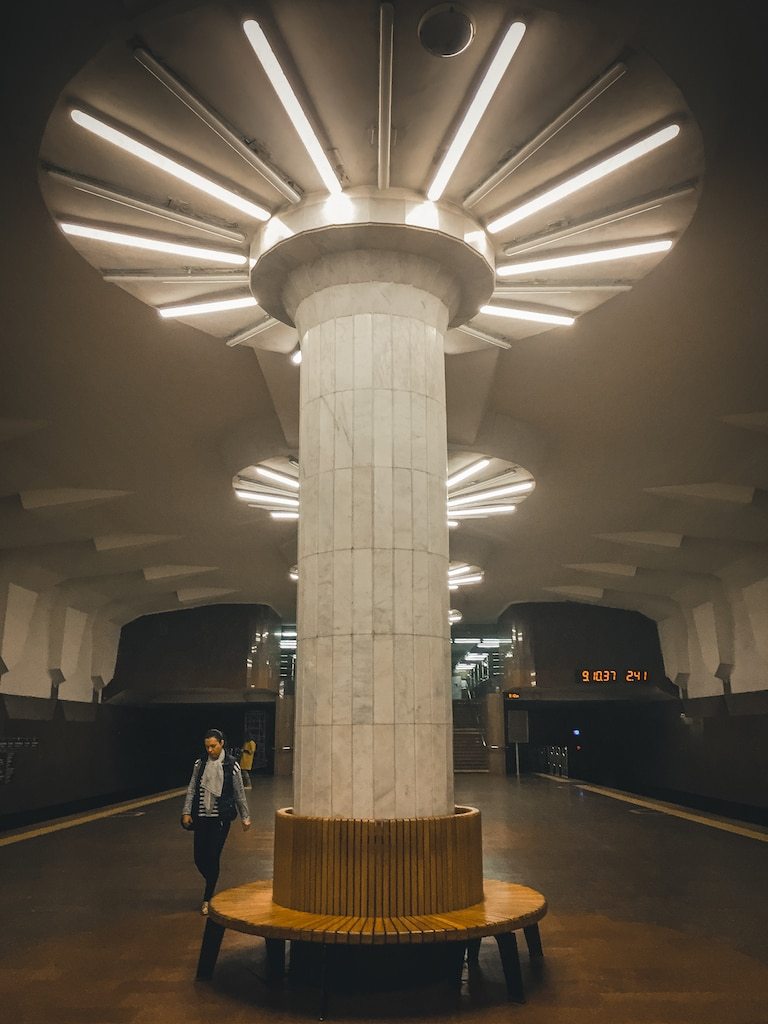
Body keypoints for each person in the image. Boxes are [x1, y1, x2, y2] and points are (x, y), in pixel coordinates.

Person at [181, 728, 251, 915]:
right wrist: (187, 811)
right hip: (202, 817)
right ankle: (211, 881)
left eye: (213, 746)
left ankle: (208, 897)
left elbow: (239, 793)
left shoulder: (231, 765)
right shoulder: (200, 764)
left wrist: (245, 816)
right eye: (207, 747)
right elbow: (192, 788)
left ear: (221, 744)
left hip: (221, 819)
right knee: (199, 858)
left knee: (212, 856)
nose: (210, 750)